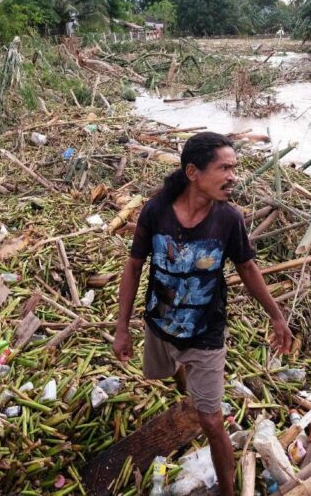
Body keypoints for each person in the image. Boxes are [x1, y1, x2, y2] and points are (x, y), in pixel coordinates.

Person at [112, 132, 293, 495]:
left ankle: (227, 491)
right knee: (167, 375)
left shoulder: (228, 219)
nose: (233, 177)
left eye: (235, 168)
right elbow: (133, 267)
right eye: (224, 168)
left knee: (211, 420)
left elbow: (247, 268)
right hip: (160, 322)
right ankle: (186, 387)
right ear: (193, 172)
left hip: (206, 331)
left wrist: (276, 316)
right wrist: (122, 327)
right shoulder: (156, 211)